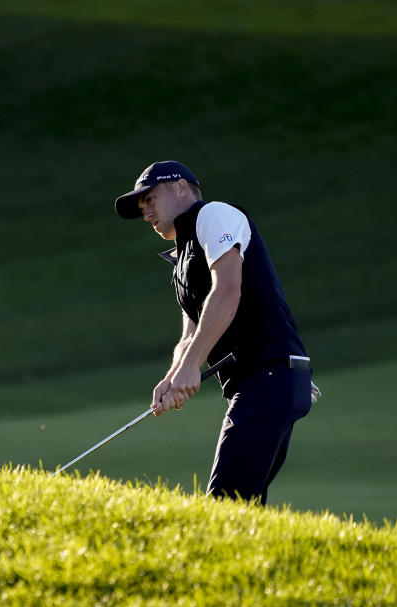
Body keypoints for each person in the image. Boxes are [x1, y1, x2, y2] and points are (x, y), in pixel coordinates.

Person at [114, 160, 319, 504]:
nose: (146, 212)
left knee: (224, 505)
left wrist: (193, 366)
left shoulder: (213, 215)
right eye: (141, 206)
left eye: (149, 199)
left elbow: (228, 290)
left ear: (181, 187)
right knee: (243, 507)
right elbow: (189, 335)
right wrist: (174, 376)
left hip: (270, 376)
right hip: (265, 382)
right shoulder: (182, 258)